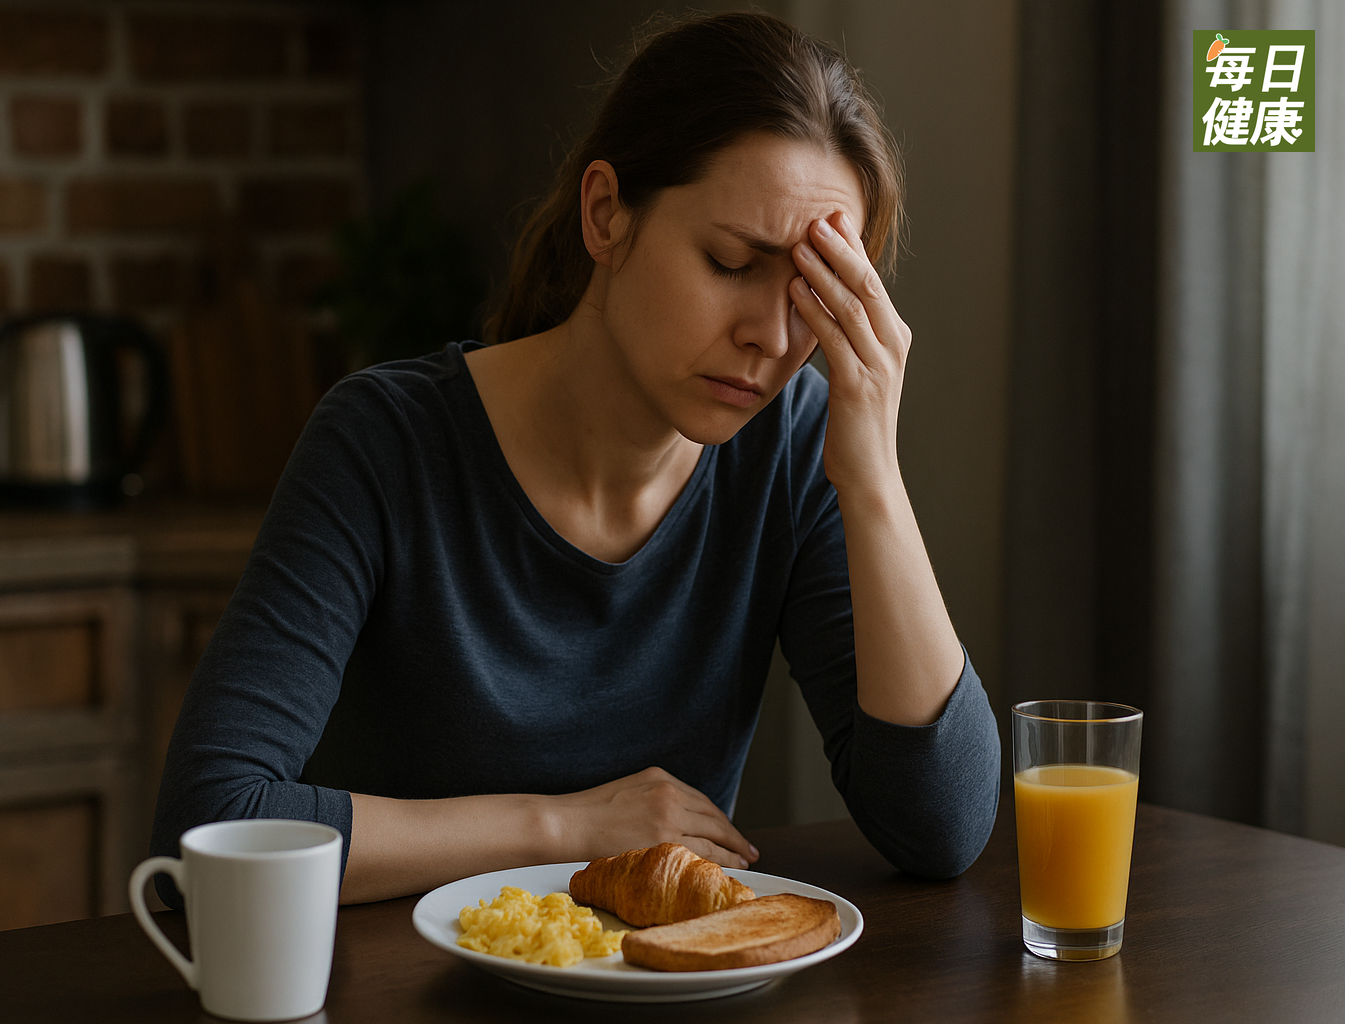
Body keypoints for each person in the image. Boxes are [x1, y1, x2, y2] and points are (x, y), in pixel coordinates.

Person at [152, 10, 1000, 906]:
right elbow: (208, 823)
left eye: (810, 293)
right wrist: (564, 828)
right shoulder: (384, 441)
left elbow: (939, 828)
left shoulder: (787, 450)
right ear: (606, 214)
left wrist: (873, 480)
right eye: (728, 262)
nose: (771, 335)